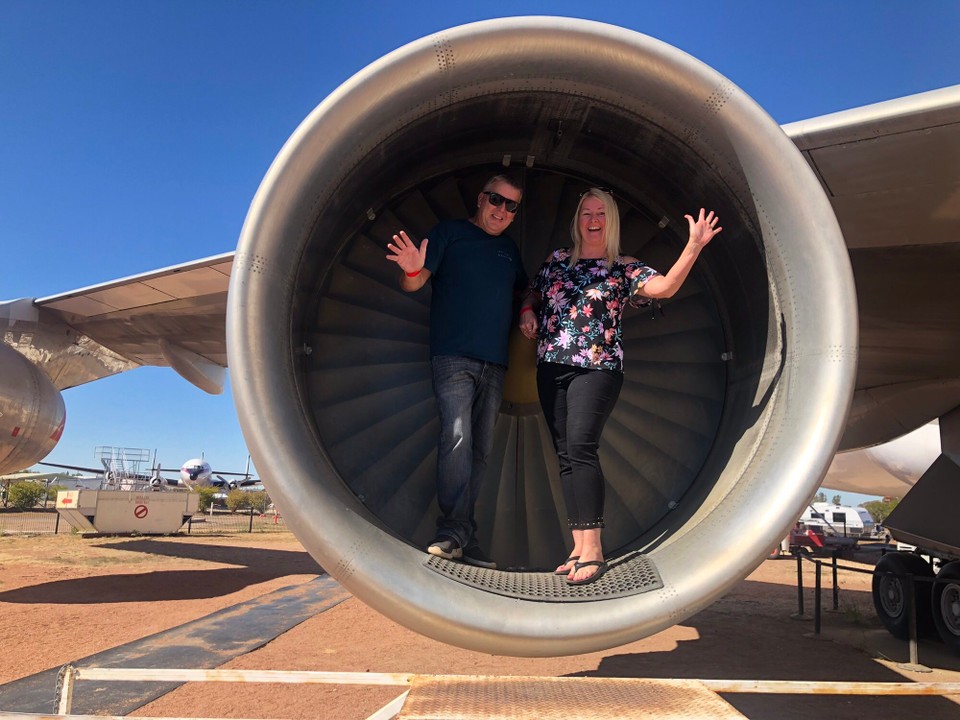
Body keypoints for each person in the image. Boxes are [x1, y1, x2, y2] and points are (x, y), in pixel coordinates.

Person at [519, 188, 721, 585]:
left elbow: (665, 288)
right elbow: (534, 290)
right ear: (577, 220)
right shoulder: (557, 260)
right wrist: (528, 309)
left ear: (610, 221)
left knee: (581, 446)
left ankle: (594, 549)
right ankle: (578, 546)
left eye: (601, 213)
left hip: (598, 367)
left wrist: (694, 246)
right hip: (551, 366)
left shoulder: (623, 267)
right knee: (566, 455)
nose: (593, 220)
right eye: (586, 213)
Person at [386, 175, 528, 570]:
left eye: (511, 206)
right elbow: (415, 282)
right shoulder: (449, 234)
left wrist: (528, 308)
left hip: (495, 363)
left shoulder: (508, 250)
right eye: (496, 200)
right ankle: (450, 532)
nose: (502, 210)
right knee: (457, 437)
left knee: (479, 450)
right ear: (481, 198)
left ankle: (463, 537)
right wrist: (411, 270)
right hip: (454, 359)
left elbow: (525, 289)